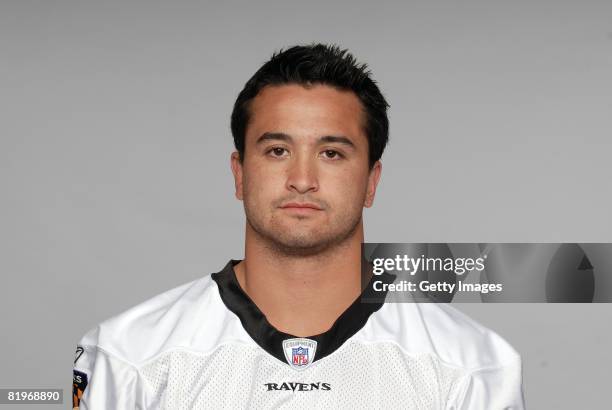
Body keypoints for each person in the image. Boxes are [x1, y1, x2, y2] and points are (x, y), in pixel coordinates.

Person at [72, 43, 525, 409]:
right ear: (240, 173)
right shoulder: (128, 355)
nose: (302, 180)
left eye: (331, 153)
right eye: (277, 151)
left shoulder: (472, 366)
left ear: (371, 181)